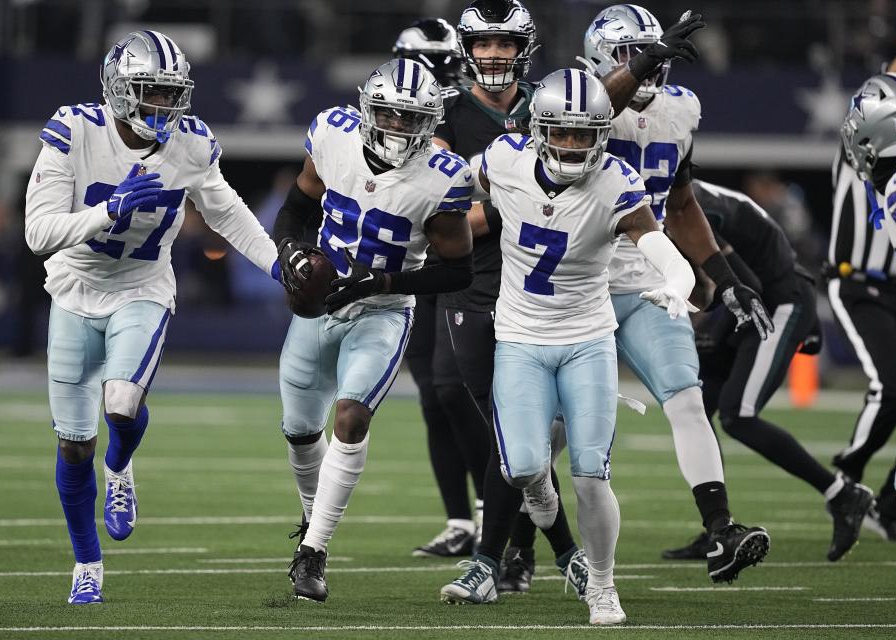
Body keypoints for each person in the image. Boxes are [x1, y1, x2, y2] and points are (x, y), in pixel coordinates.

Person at [438, 0, 708, 601]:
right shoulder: (496, 151)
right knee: (515, 454)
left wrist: (680, 278)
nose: (568, 142)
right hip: (500, 308)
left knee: (579, 467)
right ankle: (548, 554)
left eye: (581, 133)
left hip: (581, 329)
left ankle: (563, 572)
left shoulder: (611, 171)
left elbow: (656, 235)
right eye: (556, 131)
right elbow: (441, 191)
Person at [24, 30, 283, 604]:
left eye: (170, 94)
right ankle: (87, 563)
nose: (161, 107)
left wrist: (276, 266)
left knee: (121, 402)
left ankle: (121, 467)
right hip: (73, 289)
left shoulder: (190, 144)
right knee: (72, 445)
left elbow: (227, 213)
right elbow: (38, 234)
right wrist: (106, 211)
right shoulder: (74, 131)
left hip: (142, 287)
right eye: (148, 92)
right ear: (117, 90)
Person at [272, 58, 475, 602]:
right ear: (367, 110)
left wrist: (382, 280)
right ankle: (312, 527)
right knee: (298, 431)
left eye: (413, 120)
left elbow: (458, 270)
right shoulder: (332, 137)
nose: (400, 129)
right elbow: (294, 211)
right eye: (390, 115)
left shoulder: (443, 176)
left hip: (384, 309)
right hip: (321, 308)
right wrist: (292, 253)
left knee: (352, 415)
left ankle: (312, 552)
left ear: (431, 122)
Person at [582, 4, 771, 573]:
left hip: (647, 282)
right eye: (628, 54)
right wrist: (646, 63)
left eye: (648, 52)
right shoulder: (575, 99)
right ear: (599, 57)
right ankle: (515, 544)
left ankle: (719, 530)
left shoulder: (680, 110)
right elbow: (595, 113)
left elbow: (682, 204)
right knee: (560, 429)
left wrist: (728, 281)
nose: (644, 65)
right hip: (576, 283)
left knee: (688, 399)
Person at [673, 180, 874, 562]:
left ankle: (843, 494)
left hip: (776, 302)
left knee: (738, 415)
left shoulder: (688, 204)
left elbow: (746, 281)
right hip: (752, 301)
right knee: (695, 405)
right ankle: (719, 525)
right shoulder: (688, 194)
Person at [392, 17, 489, 558]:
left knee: (461, 394)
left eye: (442, 65)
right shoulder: (385, 107)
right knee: (435, 397)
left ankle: (491, 511)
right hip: (411, 263)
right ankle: (460, 519)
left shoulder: (470, 112)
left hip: (464, 259)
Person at [825, 21, 896, 543]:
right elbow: (891, 91)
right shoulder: (867, 149)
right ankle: (844, 479)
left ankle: (890, 502)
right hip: (859, 284)